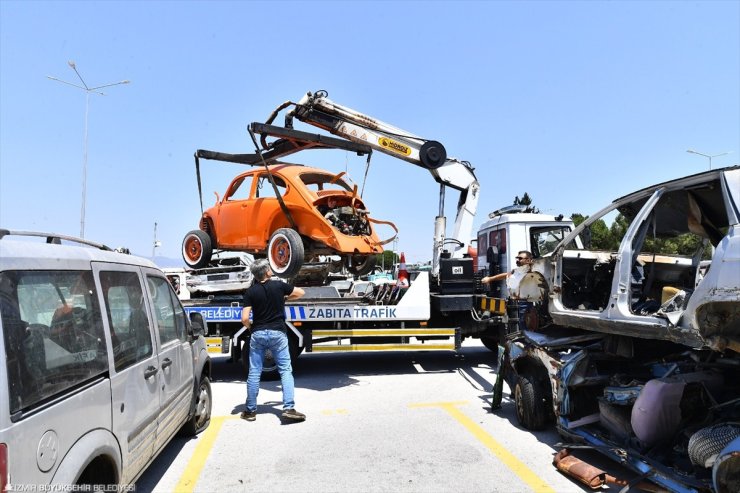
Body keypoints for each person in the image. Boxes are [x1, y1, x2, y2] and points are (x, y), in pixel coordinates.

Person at [240, 258, 306, 422]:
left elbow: (244, 318)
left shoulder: (251, 292)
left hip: (258, 334)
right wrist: (285, 299)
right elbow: (301, 292)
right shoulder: (279, 286)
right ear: (267, 271)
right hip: (278, 333)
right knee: (285, 371)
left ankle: (250, 411)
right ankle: (289, 408)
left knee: (254, 372)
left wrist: (251, 328)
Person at [481, 250, 534, 331]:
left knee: (524, 327)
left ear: (528, 260)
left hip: (525, 303)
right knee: (514, 327)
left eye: (520, 258)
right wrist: (490, 279)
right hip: (514, 303)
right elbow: (506, 275)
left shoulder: (532, 271)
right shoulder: (517, 271)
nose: (518, 260)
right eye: (517, 258)